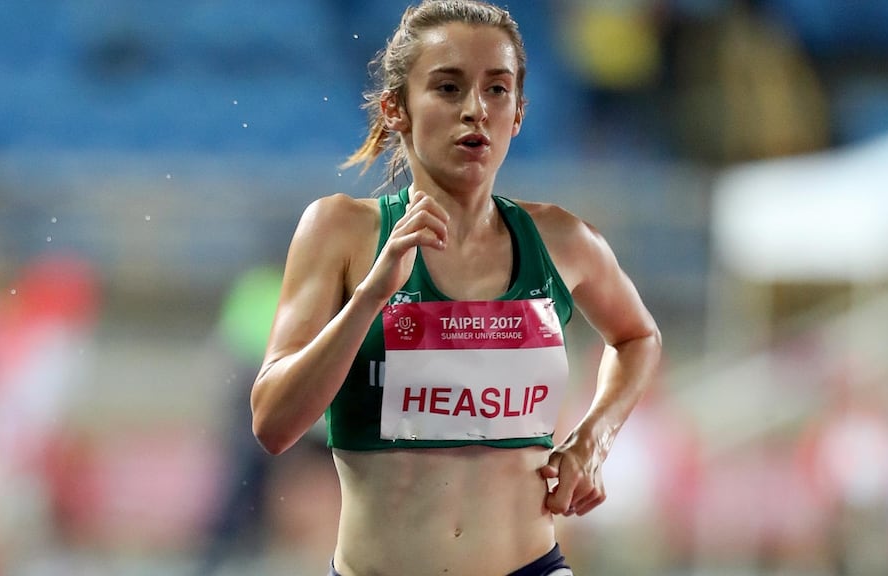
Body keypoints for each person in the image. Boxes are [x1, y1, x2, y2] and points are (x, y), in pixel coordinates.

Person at [250, 1, 662, 574]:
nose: (476, 110)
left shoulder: (563, 241)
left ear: (518, 113)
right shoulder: (340, 231)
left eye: (497, 90)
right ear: (396, 108)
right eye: (448, 88)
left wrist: (594, 438)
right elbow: (273, 425)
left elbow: (638, 337)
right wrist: (371, 296)